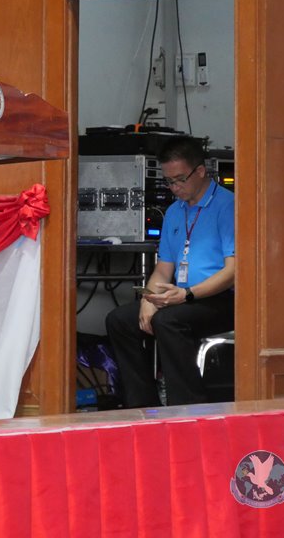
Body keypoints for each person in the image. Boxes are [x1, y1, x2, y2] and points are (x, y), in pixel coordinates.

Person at [105, 136, 235, 407]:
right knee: (120, 320)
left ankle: (187, 406)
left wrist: (187, 294)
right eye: (169, 181)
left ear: (200, 171)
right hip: (181, 297)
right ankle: (143, 406)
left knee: (168, 321)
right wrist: (148, 299)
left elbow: (234, 271)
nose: (175, 187)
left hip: (221, 298)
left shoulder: (228, 206)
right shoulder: (175, 211)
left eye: (180, 179)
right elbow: (163, 270)